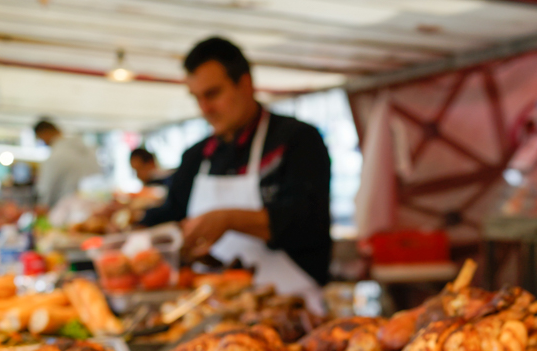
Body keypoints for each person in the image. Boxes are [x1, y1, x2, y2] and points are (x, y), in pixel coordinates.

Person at [142, 37, 332, 310]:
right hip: (214, 305)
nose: (205, 109)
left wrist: (229, 219)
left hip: (292, 304)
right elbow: (171, 213)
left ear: (245, 84)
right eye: (197, 98)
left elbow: (308, 223)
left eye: (213, 94)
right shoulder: (196, 156)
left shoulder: (297, 140)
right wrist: (134, 228)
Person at [33, 119, 102, 210]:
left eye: (40, 138)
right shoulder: (89, 151)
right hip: (95, 212)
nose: (42, 142)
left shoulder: (56, 157)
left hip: (63, 215)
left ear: (44, 133)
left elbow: (45, 193)